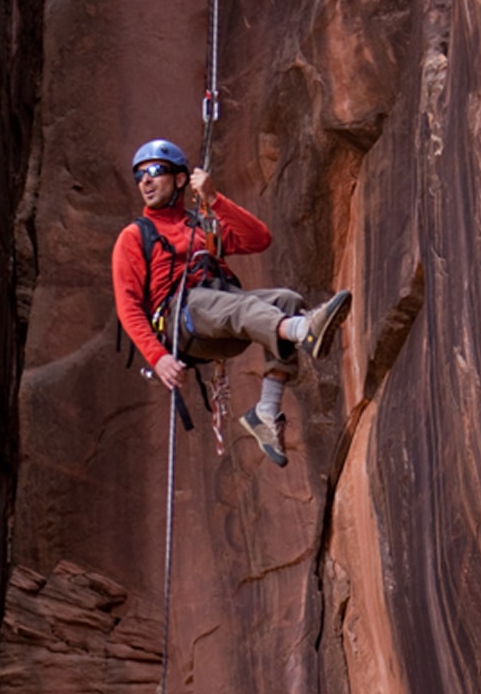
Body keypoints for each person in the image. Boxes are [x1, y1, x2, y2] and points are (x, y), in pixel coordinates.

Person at [112, 139, 352, 467]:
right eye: (139, 176)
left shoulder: (201, 225)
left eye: (154, 171)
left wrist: (213, 199)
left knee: (287, 299)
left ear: (180, 179)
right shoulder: (136, 236)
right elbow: (127, 304)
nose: (145, 181)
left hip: (217, 312)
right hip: (181, 320)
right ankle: (302, 330)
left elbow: (259, 239)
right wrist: (158, 357)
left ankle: (266, 412)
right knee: (234, 306)